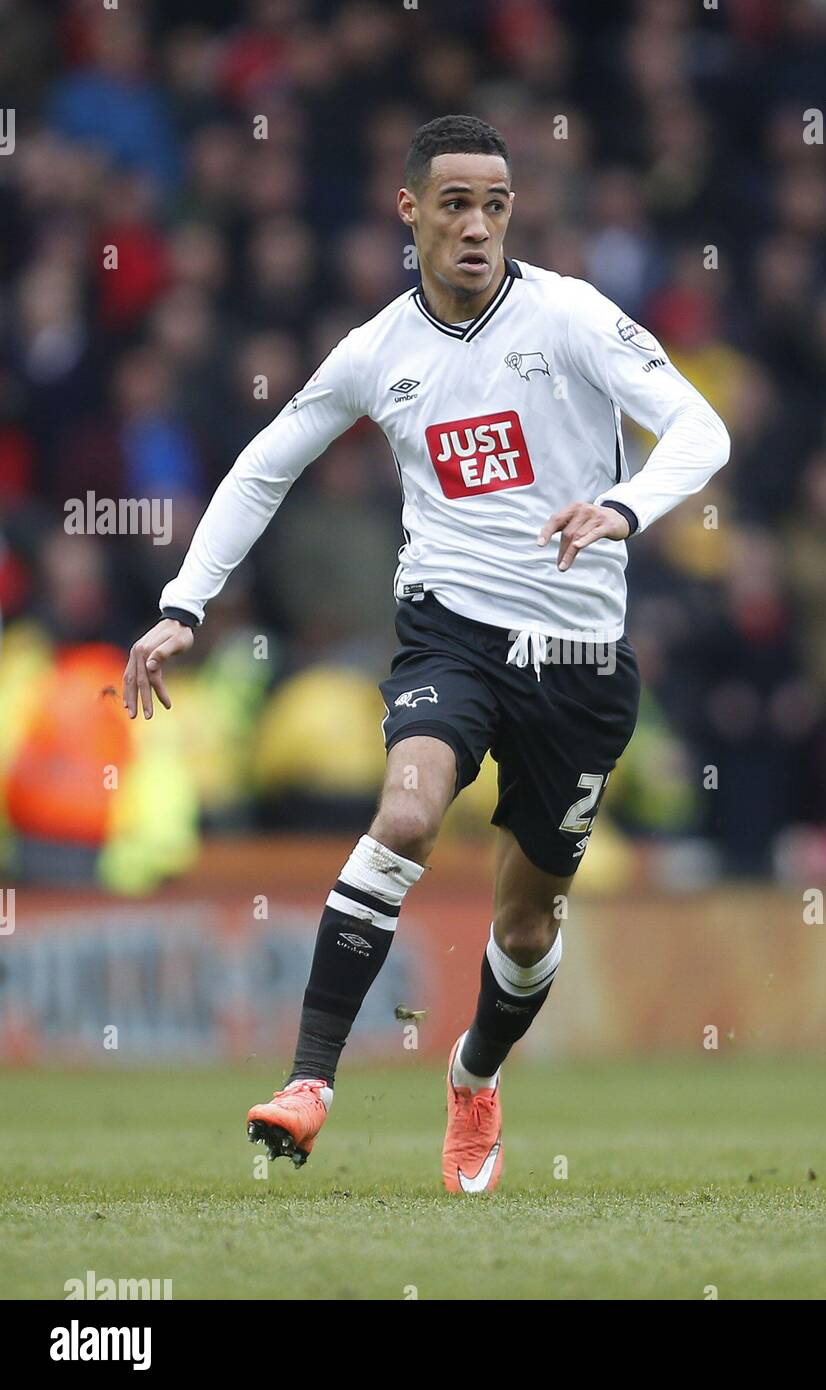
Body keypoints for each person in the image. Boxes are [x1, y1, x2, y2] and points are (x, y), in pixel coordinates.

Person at [122, 115, 729, 1194]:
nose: (477, 225)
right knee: (405, 812)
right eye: (454, 203)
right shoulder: (377, 351)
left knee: (529, 922)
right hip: (449, 633)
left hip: (581, 661)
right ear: (409, 210)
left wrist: (625, 509)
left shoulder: (573, 316)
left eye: (495, 204)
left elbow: (698, 429)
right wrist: (185, 603)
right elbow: (266, 464)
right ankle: (309, 1082)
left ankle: (474, 1072)